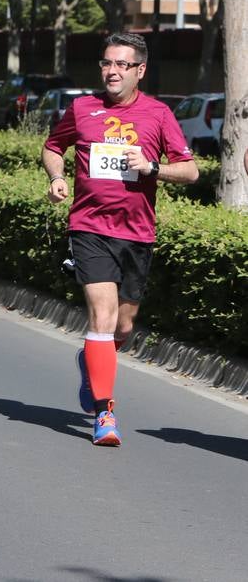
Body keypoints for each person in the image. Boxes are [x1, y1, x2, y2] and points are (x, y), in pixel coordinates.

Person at [42, 31, 198, 447]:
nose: (112, 71)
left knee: (123, 326)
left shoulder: (158, 114)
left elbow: (190, 171)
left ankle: (90, 362)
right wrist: (57, 177)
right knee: (102, 316)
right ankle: (104, 413)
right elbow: (53, 147)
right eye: (107, 63)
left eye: (122, 65)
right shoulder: (82, 108)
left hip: (137, 233)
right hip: (89, 227)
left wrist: (151, 168)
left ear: (140, 71)